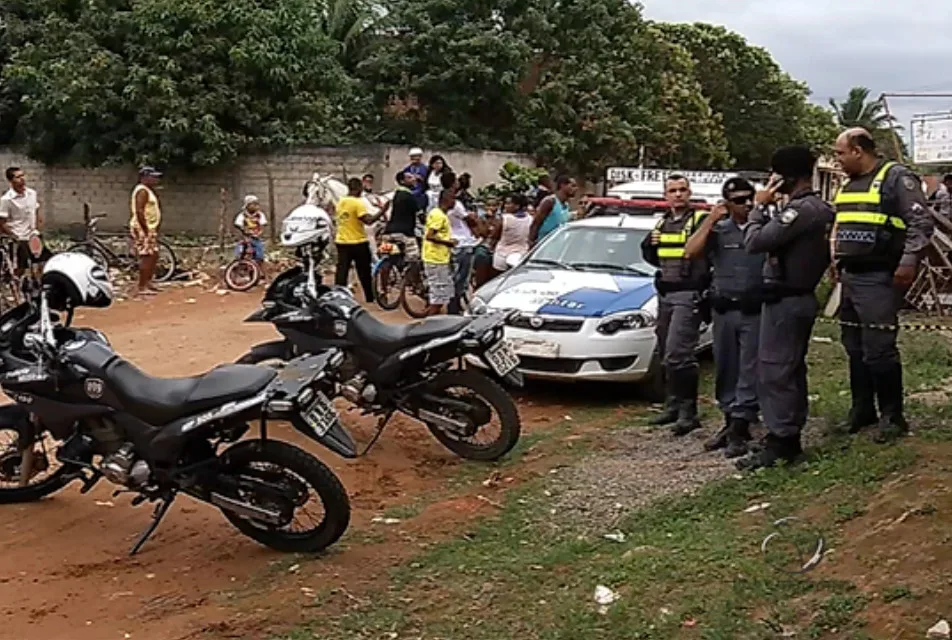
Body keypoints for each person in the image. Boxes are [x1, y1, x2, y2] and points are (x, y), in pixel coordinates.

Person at [832, 128, 934, 443]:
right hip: (850, 277)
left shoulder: (895, 178)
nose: (837, 160)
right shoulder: (849, 184)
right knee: (855, 348)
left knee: (879, 349)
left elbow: (921, 222)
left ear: (858, 150)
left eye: (840, 153)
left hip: (879, 276)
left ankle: (892, 416)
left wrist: (908, 261)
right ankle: (863, 410)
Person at [739, 146, 835, 470]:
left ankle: (782, 439)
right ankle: (786, 433)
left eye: (775, 175)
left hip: (787, 300)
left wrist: (758, 207)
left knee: (775, 369)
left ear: (785, 177)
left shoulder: (800, 212)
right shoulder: (820, 208)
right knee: (790, 369)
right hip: (796, 298)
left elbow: (755, 242)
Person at [684, 177, 764, 458]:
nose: (746, 204)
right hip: (724, 308)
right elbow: (690, 252)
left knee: (749, 368)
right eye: (739, 200)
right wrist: (709, 221)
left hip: (753, 309)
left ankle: (742, 426)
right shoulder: (718, 230)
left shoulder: (763, 227)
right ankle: (729, 421)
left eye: (749, 198)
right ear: (727, 203)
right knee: (726, 367)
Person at [640, 175, 710, 436]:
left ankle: (688, 412)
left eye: (682, 190)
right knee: (664, 352)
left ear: (690, 192)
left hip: (688, 293)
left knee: (678, 353)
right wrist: (649, 245)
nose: (678, 194)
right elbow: (652, 257)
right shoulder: (663, 222)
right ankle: (673, 405)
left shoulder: (699, 220)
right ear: (665, 195)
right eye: (673, 191)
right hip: (666, 294)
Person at [334, 177, 387, 303]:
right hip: (358, 242)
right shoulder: (357, 203)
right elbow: (368, 221)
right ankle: (369, 297)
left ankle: (337, 297)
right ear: (358, 189)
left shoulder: (341, 202)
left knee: (342, 271)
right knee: (364, 271)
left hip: (341, 241)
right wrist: (383, 211)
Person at [0, 166, 51, 283]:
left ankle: (39, 287)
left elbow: (36, 211)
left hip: (33, 235)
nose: (22, 179)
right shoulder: (6, 200)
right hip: (19, 237)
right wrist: (14, 236)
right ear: (11, 181)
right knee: (20, 268)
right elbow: (2, 223)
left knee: (43, 263)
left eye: (23, 175)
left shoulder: (32, 193)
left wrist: (38, 229)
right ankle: (15, 290)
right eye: (18, 177)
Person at [441, 172, 479, 314]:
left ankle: (454, 305)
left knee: (454, 275)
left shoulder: (440, 199)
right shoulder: (456, 203)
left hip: (451, 240)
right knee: (461, 278)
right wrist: (473, 218)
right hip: (464, 242)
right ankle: (453, 307)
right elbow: (470, 220)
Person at [129, 166, 164, 298]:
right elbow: (139, 211)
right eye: (153, 177)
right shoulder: (142, 191)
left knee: (153, 255)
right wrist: (145, 229)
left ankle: (148, 282)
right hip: (143, 228)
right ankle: (142, 286)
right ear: (144, 177)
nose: (155, 179)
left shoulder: (147, 190)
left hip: (149, 228)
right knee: (146, 257)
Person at [423, 189, 458, 316]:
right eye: (453, 199)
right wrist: (449, 243)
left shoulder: (439, 214)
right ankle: (431, 323)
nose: (455, 202)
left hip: (438, 258)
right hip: (435, 259)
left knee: (440, 293)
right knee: (439, 295)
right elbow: (430, 236)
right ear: (446, 200)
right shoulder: (438, 215)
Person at [491, 193, 532, 275]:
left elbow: (494, 236)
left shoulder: (504, 219)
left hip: (502, 255)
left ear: (517, 206)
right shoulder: (530, 218)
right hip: (522, 253)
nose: (505, 206)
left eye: (508, 203)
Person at [530, 175, 577, 245]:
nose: (575, 189)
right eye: (572, 186)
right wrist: (531, 243)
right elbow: (536, 223)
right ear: (562, 185)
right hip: (544, 245)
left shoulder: (566, 205)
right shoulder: (550, 202)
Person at [233, 194, 268, 272]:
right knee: (239, 251)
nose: (256, 206)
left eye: (257, 204)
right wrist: (244, 230)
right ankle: (238, 267)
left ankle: (259, 270)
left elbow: (263, 225)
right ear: (247, 205)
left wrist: (260, 233)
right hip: (245, 238)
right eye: (253, 204)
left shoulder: (260, 215)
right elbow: (238, 224)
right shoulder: (242, 215)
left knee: (259, 254)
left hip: (256, 238)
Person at [472, 195, 501, 288]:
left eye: (494, 205)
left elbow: (497, 233)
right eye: (489, 205)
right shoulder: (481, 218)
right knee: (481, 256)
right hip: (483, 246)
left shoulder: (501, 218)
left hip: (496, 247)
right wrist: (489, 221)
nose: (491, 208)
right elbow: (483, 233)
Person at [401, 147, 429, 212]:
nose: (415, 158)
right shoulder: (407, 168)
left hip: (420, 192)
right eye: (412, 157)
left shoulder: (425, 169)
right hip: (409, 190)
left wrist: (420, 178)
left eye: (417, 156)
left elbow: (426, 182)